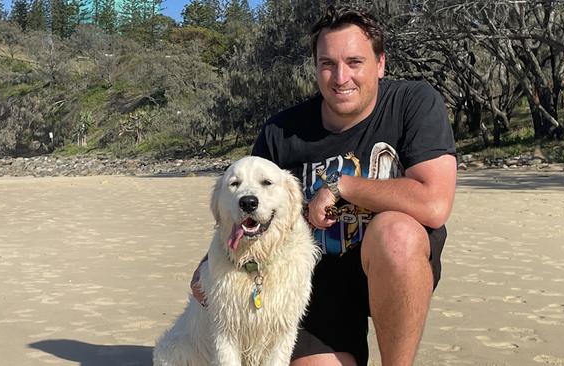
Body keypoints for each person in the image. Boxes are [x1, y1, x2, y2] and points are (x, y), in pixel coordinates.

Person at [191, 5, 457, 366]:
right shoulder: (281, 133)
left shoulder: (413, 103)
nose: (340, 76)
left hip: (394, 268)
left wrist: (340, 186)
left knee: (397, 233)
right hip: (317, 282)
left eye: (355, 62)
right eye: (327, 64)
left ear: (380, 64)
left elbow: (434, 202)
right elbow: (247, 206)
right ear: (315, 67)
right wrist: (211, 262)